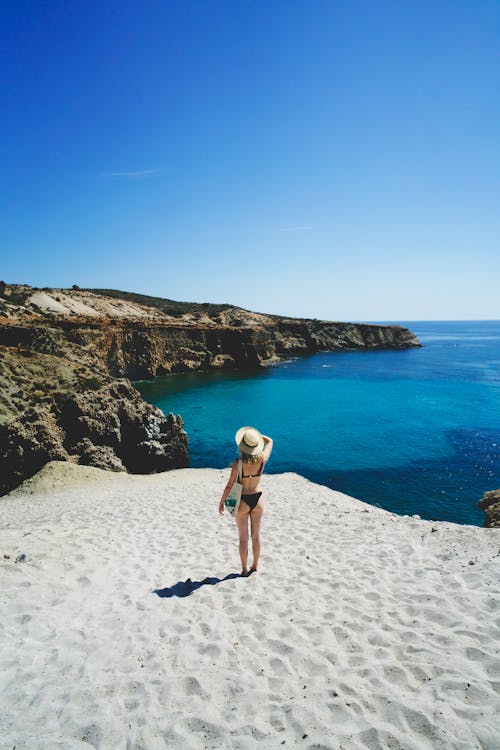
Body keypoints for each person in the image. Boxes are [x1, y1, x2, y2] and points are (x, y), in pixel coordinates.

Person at [218, 426, 273, 577]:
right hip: (257, 498)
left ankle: (243, 569)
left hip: (242, 501)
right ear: (256, 446)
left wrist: (222, 501)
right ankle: (255, 566)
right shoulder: (262, 459)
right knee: (256, 536)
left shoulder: (238, 463)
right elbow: (271, 442)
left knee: (243, 538)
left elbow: (230, 485)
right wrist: (258, 436)